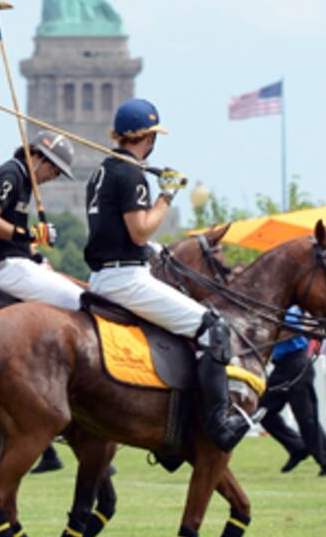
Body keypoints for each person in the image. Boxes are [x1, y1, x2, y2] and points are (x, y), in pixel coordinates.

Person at [85, 98, 248, 453]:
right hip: (126, 281)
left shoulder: (102, 171)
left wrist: (155, 249)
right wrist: (167, 196)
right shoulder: (131, 174)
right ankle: (217, 423)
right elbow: (140, 230)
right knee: (213, 326)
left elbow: (122, 235)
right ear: (148, 138)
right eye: (155, 135)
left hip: (103, 276)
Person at [0, 130, 82, 312]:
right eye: (53, 169)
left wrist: (38, 257)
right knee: (81, 302)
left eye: (57, 174)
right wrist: (29, 234)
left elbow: (16, 238)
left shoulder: (24, 181)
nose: (52, 177)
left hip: (16, 265)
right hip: (5, 269)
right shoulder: (11, 174)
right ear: (37, 155)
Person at [257, 307, 326, 476]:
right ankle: (297, 447)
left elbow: (293, 331)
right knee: (263, 411)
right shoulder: (275, 306)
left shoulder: (286, 308)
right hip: (283, 365)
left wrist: (267, 333)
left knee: (307, 418)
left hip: (295, 363)